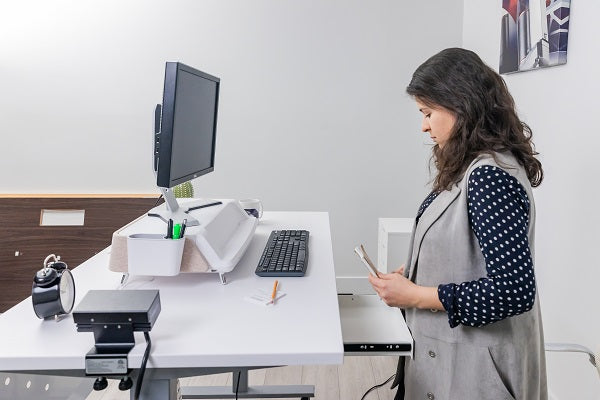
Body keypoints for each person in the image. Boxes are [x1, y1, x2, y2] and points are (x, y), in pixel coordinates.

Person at [368, 48, 547, 400]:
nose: (423, 125)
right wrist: (419, 271)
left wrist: (417, 295)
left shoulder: (489, 176)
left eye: (428, 112)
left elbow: (513, 290)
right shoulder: (475, 165)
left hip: (479, 371)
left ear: (460, 103)